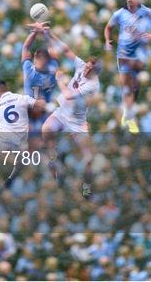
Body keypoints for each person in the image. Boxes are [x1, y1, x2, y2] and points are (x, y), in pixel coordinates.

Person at [42, 28, 101, 199]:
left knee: (88, 158)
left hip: (77, 121)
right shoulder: (82, 66)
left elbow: (68, 95)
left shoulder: (93, 85)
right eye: (89, 63)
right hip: (62, 113)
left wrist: (60, 80)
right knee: (46, 130)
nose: (87, 67)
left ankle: (87, 189)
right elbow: (66, 49)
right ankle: (56, 169)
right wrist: (48, 33)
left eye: (92, 67)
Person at [104, 0, 151, 133]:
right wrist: (107, 40)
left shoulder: (147, 12)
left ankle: (127, 112)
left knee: (136, 86)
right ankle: (129, 117)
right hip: (123, 54)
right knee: (126, 86)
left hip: (140, 55)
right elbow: (108, 28)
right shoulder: (119, 14)